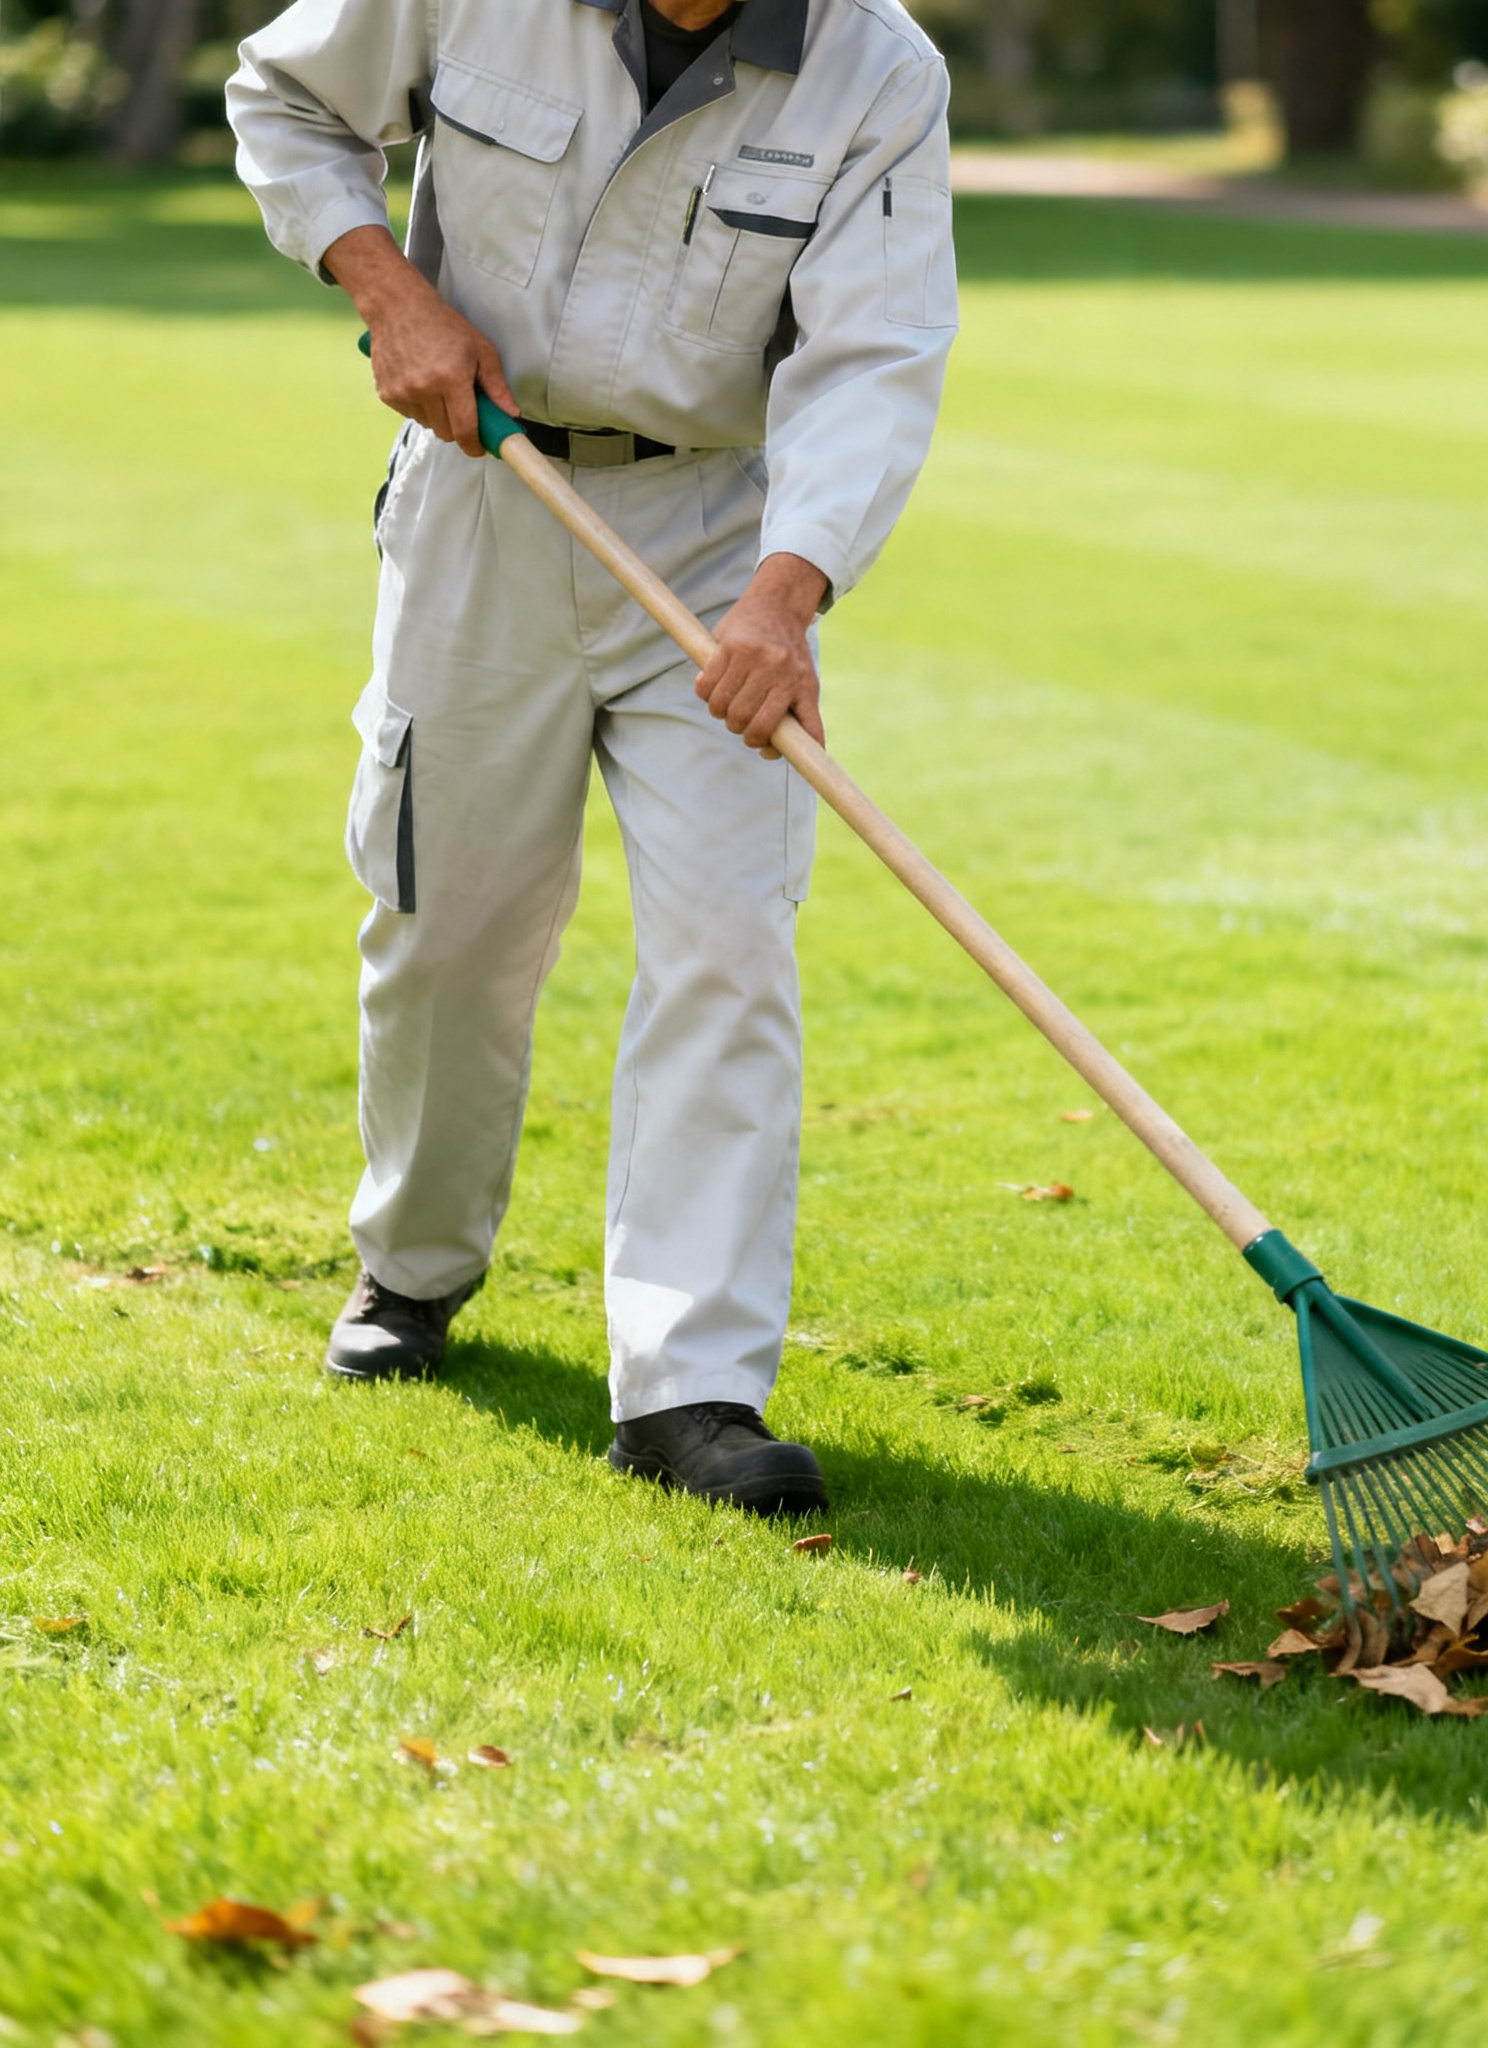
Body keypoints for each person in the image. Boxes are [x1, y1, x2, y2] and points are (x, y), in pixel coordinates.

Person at [226, 0, 957, 1515]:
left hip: (717, 547)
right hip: (483, 501)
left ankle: (690, 1387)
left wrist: (789, 587)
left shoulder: (878, 69)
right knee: (449, 929)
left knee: (727, 945)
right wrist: (387, 290)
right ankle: (411, 1271)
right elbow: (285, 100)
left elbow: (874, 351)